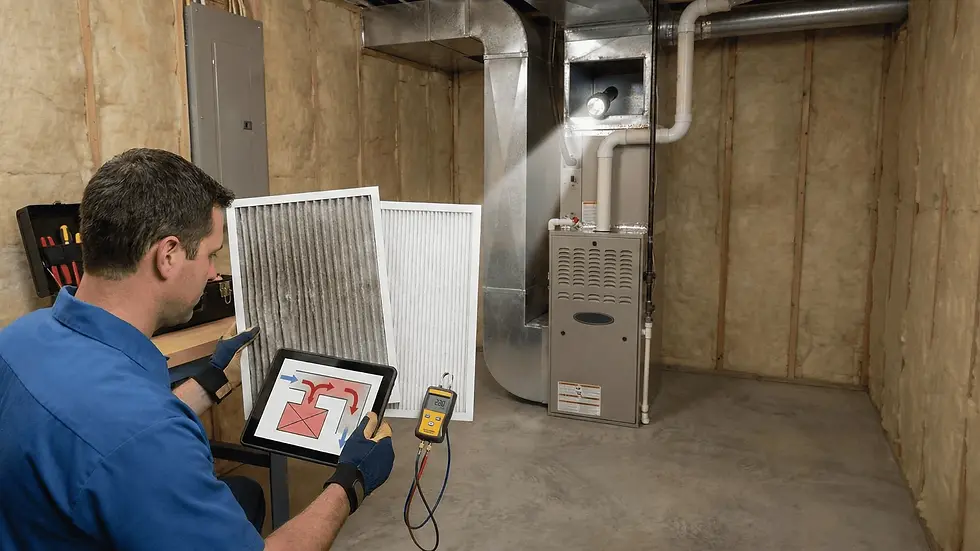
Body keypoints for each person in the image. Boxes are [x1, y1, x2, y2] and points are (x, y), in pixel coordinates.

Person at [0, 148, 395, 550]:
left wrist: (209, 381)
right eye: (210, 255)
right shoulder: (147, 437)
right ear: (167, 255)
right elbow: (133, 437)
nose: (213, 273)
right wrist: (350, 482)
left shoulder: (17, 339)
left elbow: (101, 434)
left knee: (243, 493)